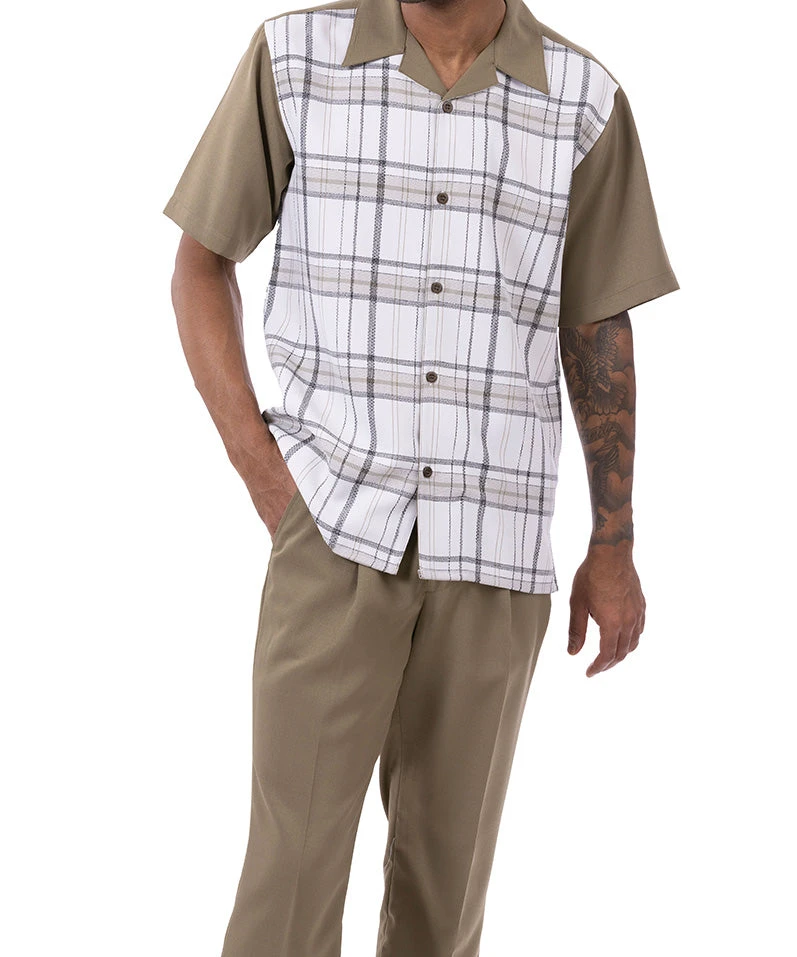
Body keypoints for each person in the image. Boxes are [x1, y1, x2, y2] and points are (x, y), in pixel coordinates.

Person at [163, 0, 679, 953]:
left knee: (442, 913)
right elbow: (200, 264)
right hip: (332, 533)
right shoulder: (295, 58)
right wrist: (265, 474)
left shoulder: (584, 100)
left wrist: (614, 541)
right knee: (285, 897)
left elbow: (597, 325)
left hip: (494, 551)